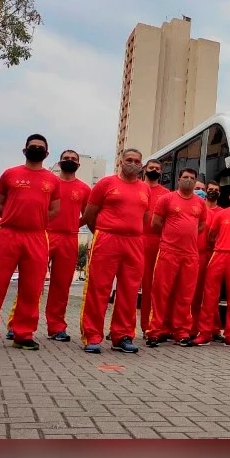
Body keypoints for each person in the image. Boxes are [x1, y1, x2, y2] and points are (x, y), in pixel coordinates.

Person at [0, 134, 60, 351]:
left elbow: (55, 210)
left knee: (32, 288)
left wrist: (34, 220)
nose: (36, 149)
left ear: (46, 154)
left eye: (40, 147)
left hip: (37, 237)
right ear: (24, 150)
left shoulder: (52, 180)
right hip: (8, 234)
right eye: (32, 146)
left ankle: (23, 334)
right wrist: (13, 217)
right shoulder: (10, 174)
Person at [6, 150, 90, 342]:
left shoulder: (85, 189)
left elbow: (88, 213)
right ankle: (16, 324)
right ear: (59, 161)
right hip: (44, 235)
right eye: (66, 158)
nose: (69, 161)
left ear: (78, 164)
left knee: (62, 286)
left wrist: (73, 225)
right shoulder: (49, 182)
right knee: (31, 282)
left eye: (73, 159)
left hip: (70, 239)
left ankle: (57, 327)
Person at [79, 149, 151, 354]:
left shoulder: (145, 189)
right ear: (120, 162)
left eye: (137, 161)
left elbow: (144, 218)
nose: (133, 163)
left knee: (129, 291)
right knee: (99, 289)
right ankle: (92, 335)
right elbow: (90, 214)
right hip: (107, 239)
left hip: (134, 242)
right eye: (129, 160)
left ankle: (123, 336)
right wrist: (102, 233)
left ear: (141, 165)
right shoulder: (106, 184)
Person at [145, 168, 207, 347]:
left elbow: (201, 225)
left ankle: (181, 331)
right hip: (168, 252)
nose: (189, 180)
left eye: (192, 178)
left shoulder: (200, 203)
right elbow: (156, 223)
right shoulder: (167, 199)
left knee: (185, 296)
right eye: (185, 177)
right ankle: (155, 331)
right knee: (161, 293)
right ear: (179, 179)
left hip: (190, 255)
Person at [197, 185, 230, 347]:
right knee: (210, 296)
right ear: (229, 196)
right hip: (219, 254)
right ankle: (205, 333)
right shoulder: (221, 215)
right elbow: (211, 236)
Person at [138, 158, 172, 335]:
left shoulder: (166, 194)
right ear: (145, 169)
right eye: (151, 168)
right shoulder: (137, 187)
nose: (154, 170)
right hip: (136, 239)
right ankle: (119, 327)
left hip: (157, 242)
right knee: (127, 285)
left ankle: (148, 326)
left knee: (152, 287)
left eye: (157, 168)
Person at [190, 181, 223, 338]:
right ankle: (192, 326)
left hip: (214, 255)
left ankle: (213, 327)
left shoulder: (222, 212)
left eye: (215, 190)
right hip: (195, 253)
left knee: (211, 293)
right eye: (208, 190)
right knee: (194, 292)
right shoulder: (196, 209)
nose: (211, 192)